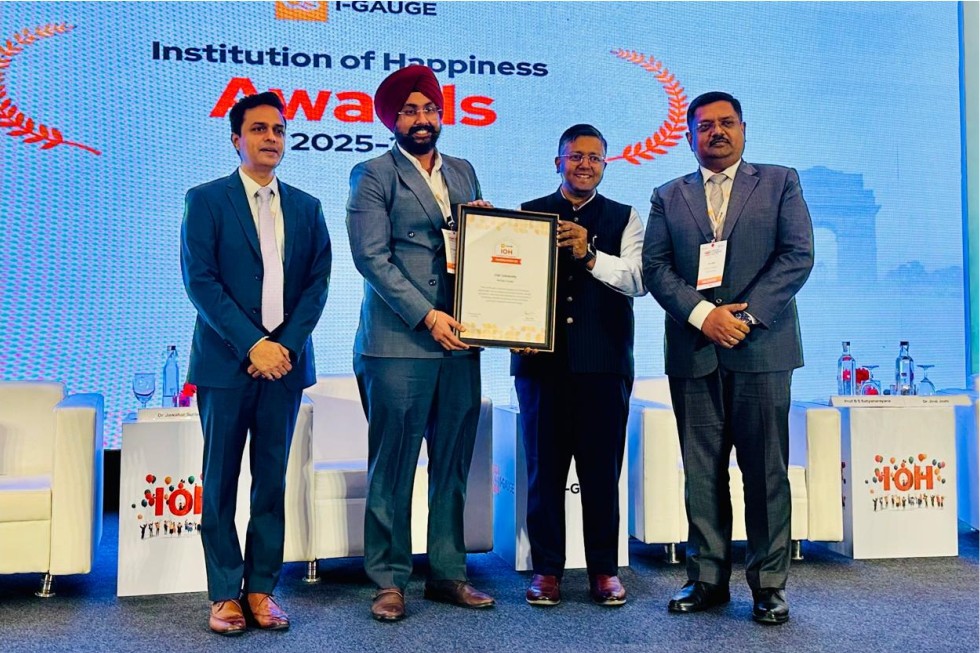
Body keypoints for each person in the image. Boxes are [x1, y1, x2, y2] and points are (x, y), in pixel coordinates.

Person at [642, 91, 813, 625]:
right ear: (688, 136)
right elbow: (655, 268)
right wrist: (703, 316)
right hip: (694, 351)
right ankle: (707, 579)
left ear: (743, 128)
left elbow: (797, 255)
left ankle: (769, 585)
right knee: (701, 474)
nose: (716, 132)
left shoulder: (779, 181)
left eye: (726, 123)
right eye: (704, 126)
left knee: (766, 473)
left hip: (762, 348)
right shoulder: (668, 195)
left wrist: (745, 317)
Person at [346, 65, 494, 622]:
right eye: (409, 111)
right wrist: (428, 315)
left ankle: (449, 573)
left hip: (460, 340)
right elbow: (371, 258)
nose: (422, 119)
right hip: (399, 342)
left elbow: (480, 249)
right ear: (392, 120)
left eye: (429, 108)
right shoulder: (373, 174)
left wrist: (486, 230)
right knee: (393, 466)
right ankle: (389, 580)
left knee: (452, 464)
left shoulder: (464, 171)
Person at [181, 91, 332, 635]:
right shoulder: (206, 200)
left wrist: (282, 347)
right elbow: (201, 282)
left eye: (279, 129)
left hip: (284, 367)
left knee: (270, 483)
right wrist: (253, 345)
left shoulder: (307, 207)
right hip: (226, 366)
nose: (271, 137)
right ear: (236, 139)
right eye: (259, 128)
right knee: (220, 481)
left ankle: (262, 589)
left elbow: (317, 285)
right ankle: (225, 593)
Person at [512, 124, 645, 608]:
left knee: (601, 473)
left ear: (605, 165)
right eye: (575, 156)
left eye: (594, 157)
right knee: (543, 473)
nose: (584, 165)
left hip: (604, 366)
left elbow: (637, 280)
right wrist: (512, 329)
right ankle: (546, 570)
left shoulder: (626, 217)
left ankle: (604, 570)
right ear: (558, 162)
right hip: (540, 367)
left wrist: (589, 254)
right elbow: (508, 281)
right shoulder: (527, 214)